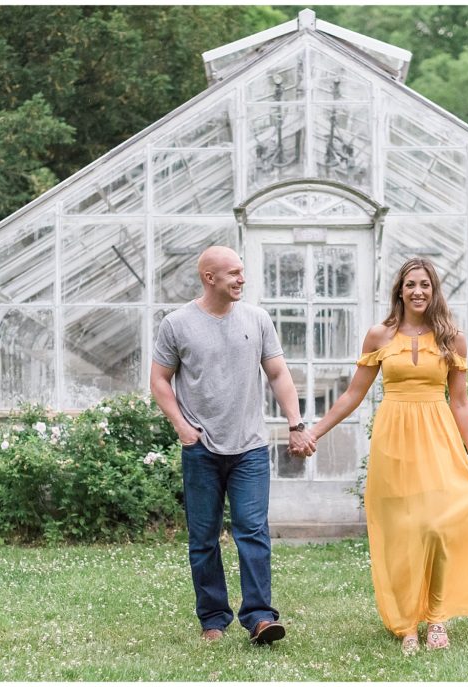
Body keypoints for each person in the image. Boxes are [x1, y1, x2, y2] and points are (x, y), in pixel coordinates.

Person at [306, 257, 468, 654]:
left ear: (434, 291)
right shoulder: (379, 336)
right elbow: (352, 394)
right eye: (411, 284)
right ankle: (407, 623)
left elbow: (461, 403)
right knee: (403, 532)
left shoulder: (453, 339)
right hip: (393, 443)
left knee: (436, 528)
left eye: (425, 285)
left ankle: (438, 617)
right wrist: (314, 431)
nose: (418, 291)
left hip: (439, 439)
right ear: (400, 289)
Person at [150, 245, 316, 645]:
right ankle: (213, 620)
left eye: (242, 272)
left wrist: (296, 424)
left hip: (251, 449)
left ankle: (260, 618)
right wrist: (182, 427)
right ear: (210, 278)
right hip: (201, 449)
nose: (242, 279)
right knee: (203, 538)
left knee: (252, 530)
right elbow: (159, 379)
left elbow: (278, 373)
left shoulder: (257, 319)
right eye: (234, 273)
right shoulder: (177, 324)